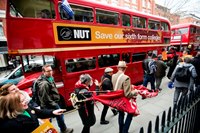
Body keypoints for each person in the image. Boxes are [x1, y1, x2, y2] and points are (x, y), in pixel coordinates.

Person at [0, 91, 65, 133]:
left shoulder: (27, 107)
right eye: (22, 101)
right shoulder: (9, 124)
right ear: (13, 106)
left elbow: (39, 112)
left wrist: (52, 112)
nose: (26, 102)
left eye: (24, 99)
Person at [36, 64, 73, 133]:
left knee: (58, 116)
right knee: (51, 118)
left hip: (52, 102)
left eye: (51, 70)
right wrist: (54, 104)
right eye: (48, 71)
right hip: (49, 104)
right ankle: (62, 130)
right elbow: (44, 98)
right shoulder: (44, 84)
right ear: (43, 72)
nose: (50, 72)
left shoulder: (50, 78)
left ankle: (63, 129)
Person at [112, 61, 138, 133]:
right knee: (130, 113)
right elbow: (127, 94)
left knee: (121, 114)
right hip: (124, 100)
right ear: (125, 69)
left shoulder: (113, 76)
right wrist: (135, 91)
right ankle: (124, 131)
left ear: (117, 68)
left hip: (117, 100)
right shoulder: (126, 78)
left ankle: (121, 130)